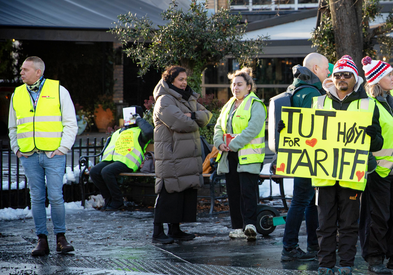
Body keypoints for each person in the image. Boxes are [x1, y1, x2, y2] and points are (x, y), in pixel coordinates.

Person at [309, 55, 384, 275]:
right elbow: (306, 136)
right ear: (332, 78)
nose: (342, 78)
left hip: (352, 175)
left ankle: (346, 272)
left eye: (347, 75)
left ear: (356, 79)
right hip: (324, 175)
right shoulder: (318, 102)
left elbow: (378, 143)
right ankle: (325, 272)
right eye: (338, 75)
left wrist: (373, 135)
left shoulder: (368, 105)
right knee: (325, 226)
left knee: (349, 226)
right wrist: (288, 129)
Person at [8, 56, 78, 256]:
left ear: (38, 72)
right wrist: (17, 149)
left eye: (25, 69)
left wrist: (63, 148)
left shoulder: (58, 90)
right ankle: (42, 240)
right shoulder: (17, 94)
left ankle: (61, 238)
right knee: (37, 198)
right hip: (29, 155)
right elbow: (13, 126)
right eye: (21, 69)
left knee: (56, 197)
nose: (21, 72)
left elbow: (70, 123)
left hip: (53, 154)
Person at [359, 56, 393, 275]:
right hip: (379, 172)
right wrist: (371, 167)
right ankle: (375, 259)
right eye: (389, 75)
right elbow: (363, 141)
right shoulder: (370, 105)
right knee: (377, 217)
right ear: (377, 80)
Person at [152, 65, 211, 243]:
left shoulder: (188, 98)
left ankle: (175, 230)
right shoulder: (164, 100)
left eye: (185, 79)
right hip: (172, 155)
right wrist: (194, 117)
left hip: (185, 155)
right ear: (171, 81)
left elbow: (207, 116)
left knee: (182, 192)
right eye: (180, 79)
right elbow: (182, 123)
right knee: (168, 192)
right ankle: (158, 232)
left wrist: (191, 115)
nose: (184, 83)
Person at [279, 53, 328, 261]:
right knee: (301, 201)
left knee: (308, 201)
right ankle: (290, 247)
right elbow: (316, 126)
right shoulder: (310, 93)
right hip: (308, 154)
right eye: (326, 69)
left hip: (300, 154)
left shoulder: (296, 88)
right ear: (315, 69)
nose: (329, 73)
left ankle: (313, 246)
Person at [214, 68, 266, 242]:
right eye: (233, 84)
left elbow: (253, 129)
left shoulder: (255, 104)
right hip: (229, 156)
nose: (235, 88)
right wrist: (218, 143)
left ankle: (250, 225)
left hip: (248, 156)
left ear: (249, 87)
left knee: (248, 192)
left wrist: (233, 144)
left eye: (240, 84)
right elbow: (218, 127)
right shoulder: (228, 105)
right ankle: (237, 227)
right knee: (233, 192)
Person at [89, 112, 153, 212]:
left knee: (107, 171)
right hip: (111, 160)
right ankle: (109, 200)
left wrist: (139, 120)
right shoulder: (119, 131)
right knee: (94, 172)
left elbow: (149, 132)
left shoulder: (140, 131)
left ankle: (117, 202)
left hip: (129, 161)